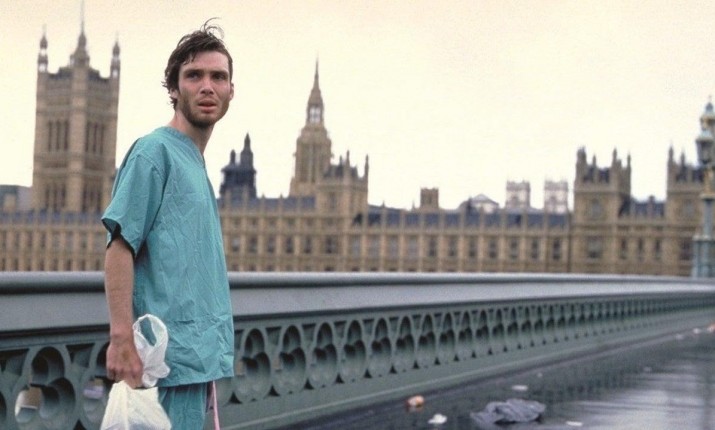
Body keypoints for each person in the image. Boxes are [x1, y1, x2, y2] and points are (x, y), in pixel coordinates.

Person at [102, 21, 235, 428]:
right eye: (194, 76)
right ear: (174, 89)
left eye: (218, 77)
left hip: (196, 365)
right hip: (161, 366)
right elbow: (119, 247)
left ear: (231, 91)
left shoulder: (194, 161)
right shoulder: (153, 153)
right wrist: (121, 337)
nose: (207, 86)